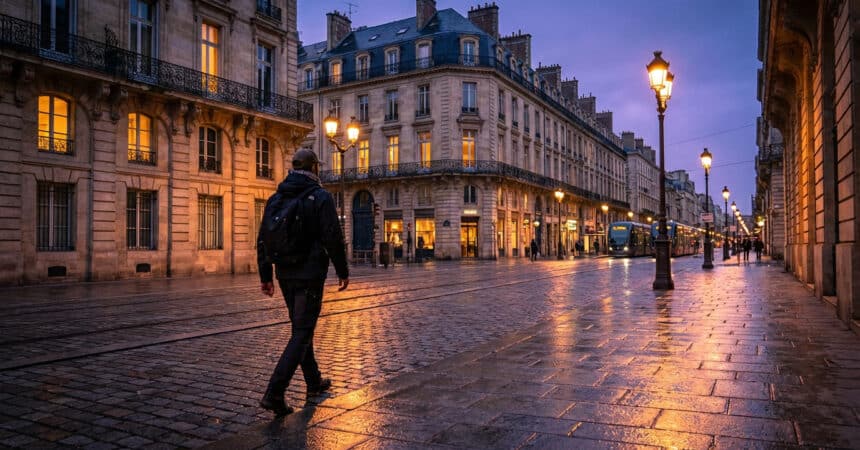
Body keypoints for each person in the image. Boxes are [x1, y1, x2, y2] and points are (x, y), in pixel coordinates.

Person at [257, 149, 349, 417]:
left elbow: (262, 239)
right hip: (309, 274)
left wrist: (265, 275)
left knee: (301, 328)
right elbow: (332, 235)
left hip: (284, 274)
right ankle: (275, 392)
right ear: (315, 168)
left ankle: (313, 381)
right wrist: (342, 270)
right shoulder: (320, 197)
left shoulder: (275, 198)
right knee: (302, 332)